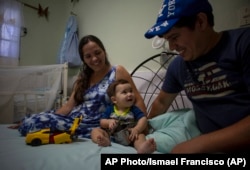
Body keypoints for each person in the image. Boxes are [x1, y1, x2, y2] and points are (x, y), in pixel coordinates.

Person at [144, 0, 250, 153]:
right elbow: (161, 103)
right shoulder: (178, 66)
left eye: (174, 37)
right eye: (168, 40)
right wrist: (144, 127)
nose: (172, 47)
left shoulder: (242, 44)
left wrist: (199, 144)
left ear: (200, 22)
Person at [9, 35, 148, 141]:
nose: (94, 59)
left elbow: (137, 100)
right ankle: (33, 122)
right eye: (88, 56)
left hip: (93, 124)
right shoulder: (83, 77)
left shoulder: (117, 71)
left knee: (33, 124)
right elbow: (69, 106)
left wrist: (142, 126)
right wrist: (43, 116)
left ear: (104, 51)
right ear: (84, 60)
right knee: (31, 120)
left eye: (97, 53)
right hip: (73, 119)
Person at [91, 79, 156, 154]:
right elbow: (102, 122)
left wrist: (137, 129)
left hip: (130, 137)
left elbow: (143, 119)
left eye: (131, 91)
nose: (129, 94)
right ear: (114, 99)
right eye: (124, 92)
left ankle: (142, 149)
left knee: (140, 136)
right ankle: (102, 140)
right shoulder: (110, 109)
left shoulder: (133, 109)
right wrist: (108, 122)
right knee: (95, 131)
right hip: (111, 137)